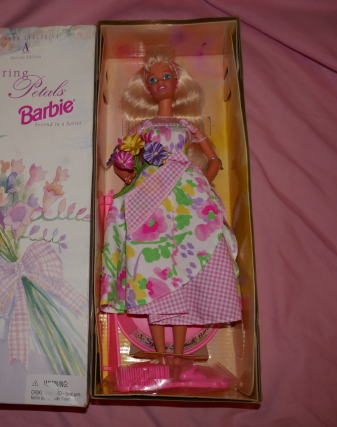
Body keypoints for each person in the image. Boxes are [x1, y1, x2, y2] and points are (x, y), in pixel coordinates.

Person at [100, 47, 242, 355]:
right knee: (152, 264)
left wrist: (203, 180)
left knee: (188, 257)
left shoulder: (188, 126)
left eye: (166, 76)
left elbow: (214, 159)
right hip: (152, 196)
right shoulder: (142, 128)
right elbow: (122, 160)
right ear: (147, 89)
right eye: (152, 80)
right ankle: (162, 355)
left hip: (186, 193)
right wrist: (131, 178)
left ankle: (178, 354)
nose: (160, 83)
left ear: (177, 83)